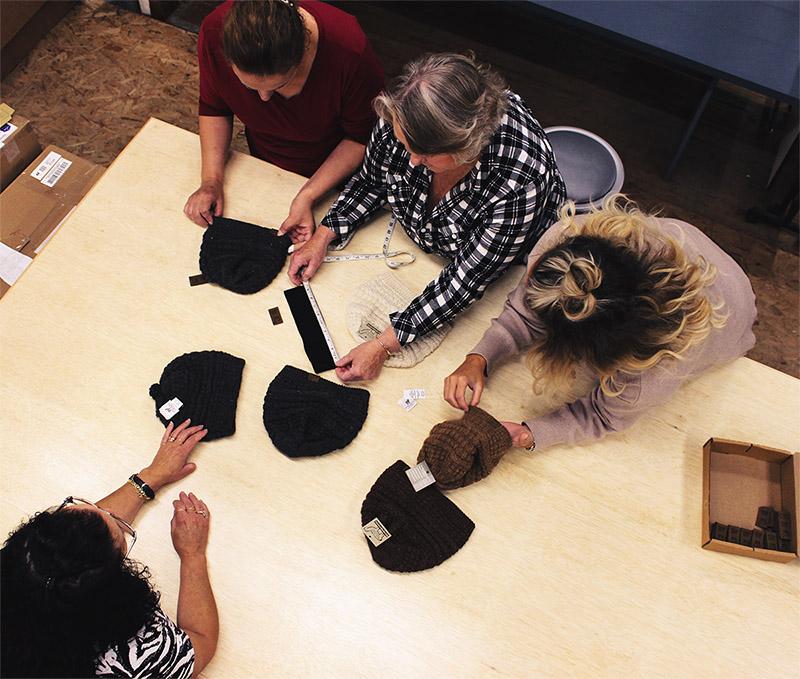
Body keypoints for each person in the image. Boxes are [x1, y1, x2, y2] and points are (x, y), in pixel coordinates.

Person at [286, 52, 566, 382]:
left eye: (427, 155)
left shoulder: (519, 178)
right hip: (424, 247)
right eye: (407, 147)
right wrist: (325, 234)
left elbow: (465, 280)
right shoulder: (403, 118)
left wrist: (382, 345)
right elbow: (373, 180)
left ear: (468, 148)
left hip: (500, 265)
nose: (413, 161)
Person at [443, 195, 757, 450]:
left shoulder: (654, 370)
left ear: (582, 352)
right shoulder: (568, 246)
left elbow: (602, 416)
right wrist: (480, 357)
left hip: (732, 310)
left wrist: (532, 432)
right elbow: (527, 311)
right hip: (688, 248)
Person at [0, 420, 218, 679]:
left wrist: (151, 476)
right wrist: (193, 554)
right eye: (122, 536)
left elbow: (80, 540)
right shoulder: (136, 656)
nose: (107, 511)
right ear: (114, 589)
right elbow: (200, 644)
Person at [184, 0, 384, 241]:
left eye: (279, 86)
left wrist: (307, 195)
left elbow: (363, 138)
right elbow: (214, 107)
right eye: (249, 87)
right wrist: (211, 181)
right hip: (264, 166)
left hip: (335, 179)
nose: (264, 99)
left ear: (303, 52)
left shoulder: (349, 52)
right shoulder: (215, 31)